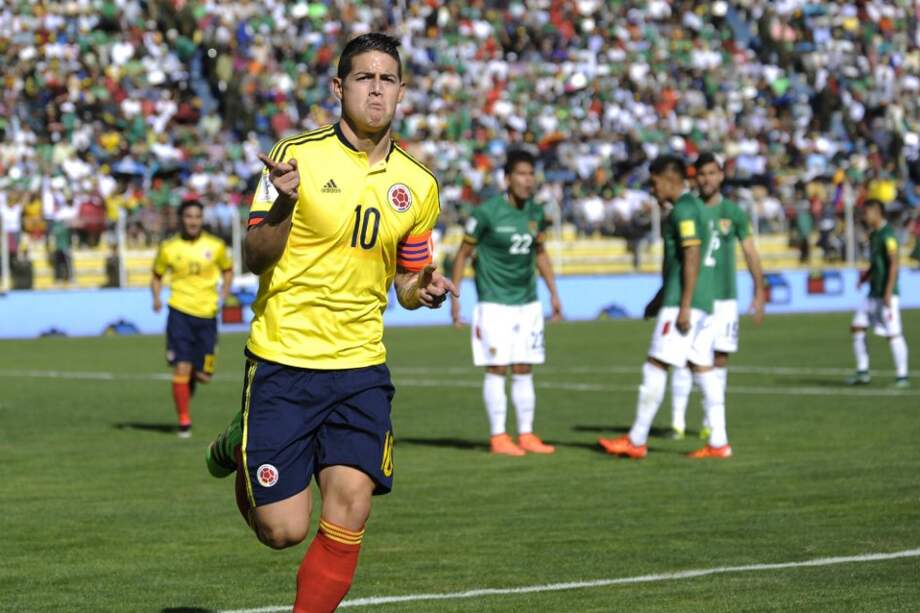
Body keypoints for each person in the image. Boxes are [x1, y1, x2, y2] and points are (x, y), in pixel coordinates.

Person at [203, 33, 457, 613]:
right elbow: (254, 256)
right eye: (364, 78)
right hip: (284, 360)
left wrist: (424, 289)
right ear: (340, 88)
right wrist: (285, 204)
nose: (376, 90)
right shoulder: (294, 157)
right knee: (284, 530)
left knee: (351, 507)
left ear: (402, 91)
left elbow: (407, 281)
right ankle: (242, 442)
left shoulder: (419, 185)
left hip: (360, 367)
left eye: (387, 79)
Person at [598, 155, 731, 460]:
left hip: (685, 303)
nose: (652, 189)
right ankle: (719, 442)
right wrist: (658, 299)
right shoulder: (695, 208)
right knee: (703, 368)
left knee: (656, 364)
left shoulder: (684, 209)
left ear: (670, 178)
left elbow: (692, 254)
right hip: (701, 300)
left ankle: (636, 439)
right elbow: (680, 263)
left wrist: (682, 305)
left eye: (654, 182)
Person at [449, 149, 563, 456]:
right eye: (522, 174)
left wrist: (553, 293)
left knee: (524, 367)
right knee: (497, 367)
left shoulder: (536, 212)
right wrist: (455, 298)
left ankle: (526, 434)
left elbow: (540, 254)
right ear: (507, 178)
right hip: (494, 303)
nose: (528, 180)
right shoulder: (486, 213)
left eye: (531, 174)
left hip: (528, 302)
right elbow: (462, 254)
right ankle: (498, 436)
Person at [669, 153, 766, 440]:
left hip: (725, 297)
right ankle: (676, 421)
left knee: (720, 357)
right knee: (683, 355)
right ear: (694, 178)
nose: (707, 179)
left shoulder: (734, 213)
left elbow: (750, 252)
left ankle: (710, 422)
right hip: (696, 295)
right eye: (702, 174)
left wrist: (759, 291)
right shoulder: (689, 209)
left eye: (712, 173)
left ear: (721, 175)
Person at [151, 199, 233, 437]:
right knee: (181, 367)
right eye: (188, 217)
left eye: (197, 217)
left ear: (202, 219)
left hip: (207, 315)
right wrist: (156, 298)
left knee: (205, 376)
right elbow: (157, 275)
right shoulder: (169, 247)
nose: (193, 221)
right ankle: (184, 420)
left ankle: (190, 381)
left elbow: (228, 270)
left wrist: (225, 292)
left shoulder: (216, 246)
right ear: (181, 219)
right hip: (180, 313)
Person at [846, 199, 909, 388]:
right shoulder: (874, 235)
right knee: (857, 326)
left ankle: (902, 376)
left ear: (877, 212)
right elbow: (876, 263)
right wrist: (864, 278)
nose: (864, 216)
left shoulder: (888, 235)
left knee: (893, 333)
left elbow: (894, 264)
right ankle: (863, 371)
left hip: (886, 293)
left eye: (866, 213)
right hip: (873, 293)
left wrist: (888, 291)